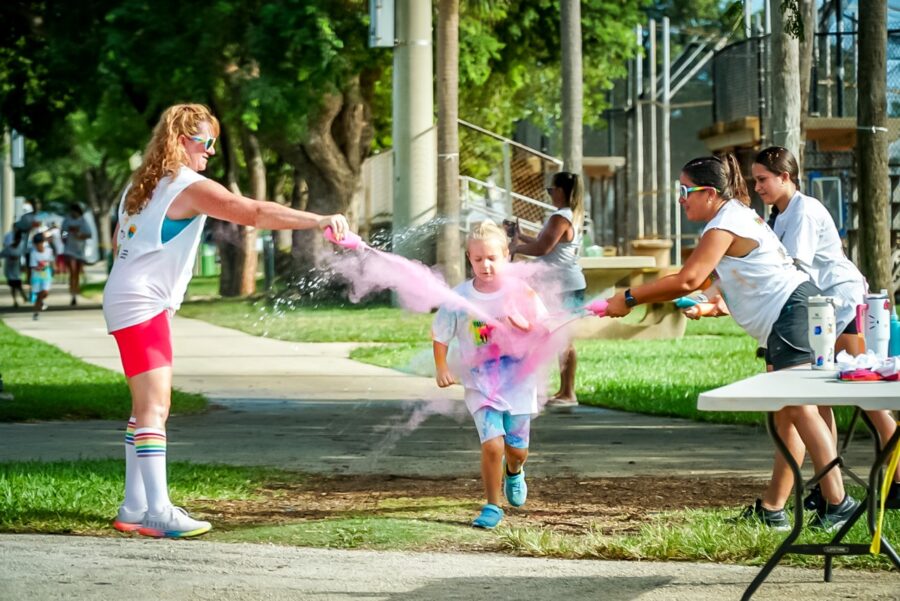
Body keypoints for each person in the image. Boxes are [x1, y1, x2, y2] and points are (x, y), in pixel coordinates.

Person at [103, 103, 350, 538]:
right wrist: (319, 220)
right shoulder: (186, 184)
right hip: (141, 304)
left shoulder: (143, 184)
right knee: (155, 408)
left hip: (130, 299)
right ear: (182, 141)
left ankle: (134, 505)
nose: (211, 152)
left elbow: (121, 242)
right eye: (206, 142)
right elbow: (252, 212)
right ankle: (158, 511)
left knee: (145, 407)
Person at [605, 153, 859, 532]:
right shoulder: (733, 217)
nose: (681, 199)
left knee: (800, 409)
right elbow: (713, 280)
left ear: (708, 192)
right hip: (791, 313)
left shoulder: (724, 223)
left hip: (790, 313)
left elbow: (688, 279)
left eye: (684, 191)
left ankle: (838, 501)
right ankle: (777, 508)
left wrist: (628, 298)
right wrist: (706, 307)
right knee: (789, 414)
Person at [752, 145, 900, 509]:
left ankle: (898, 483)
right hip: (820, 308)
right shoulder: (780, 214)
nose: (758, 187)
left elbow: (793, 270)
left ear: (785, 177)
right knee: (820, 400)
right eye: (755, 180)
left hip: (842, 302)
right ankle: (826, 486)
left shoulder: (803, 210)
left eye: (763, 179)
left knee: (870, 401)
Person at [433, 220, 548, 529]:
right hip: (480, 384)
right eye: (478, 258)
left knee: (516, 449)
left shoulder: (522, 293)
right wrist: (442, 367)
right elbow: (441, 335)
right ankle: (492, 505)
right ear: (469, 259)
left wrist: (526, 326)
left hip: (519, 383)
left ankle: (515, 470)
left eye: (492, 258)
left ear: (506, 256)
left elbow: (546, 330)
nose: (485, 265)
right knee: (493, 444)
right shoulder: (459, 298)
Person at [510, 171, 587, 410]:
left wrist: (515, 247)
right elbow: (546, 242)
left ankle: (568, 392)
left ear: (562, 191)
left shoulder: (560, 217)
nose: (550, 194)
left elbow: (542, 248)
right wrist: (520, 235)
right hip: (567, 284)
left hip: (563, 287)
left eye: (551, 190)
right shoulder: (569, 215)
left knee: (562, 339)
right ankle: (565, 391)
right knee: (560, 338)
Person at [62, 204, 92, 305]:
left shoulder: (83, 221)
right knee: (72, 271)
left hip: (80, 250)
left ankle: (75, 290)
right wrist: (65, 236)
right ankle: (72, 292)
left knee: (77, 273)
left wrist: (80, 234)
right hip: (69, 249)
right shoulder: (67, 220)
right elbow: (63, 231)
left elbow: (89, 234)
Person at [28, 232, 54, 320]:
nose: (39, 246)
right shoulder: (33, 253)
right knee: (38, 295)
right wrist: (40, 266)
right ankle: (36, 312)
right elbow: (33, 266)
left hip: (46, 275)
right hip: (36, 276)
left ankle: (40, 304)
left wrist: (52, 267)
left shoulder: (49, 251)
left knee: (44, 292)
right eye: (37, 244)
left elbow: (51, 261)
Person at [1, 229, 28, 307]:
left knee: (18, 284)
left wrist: (23, 266)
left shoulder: (20, 248)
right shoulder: (8, 248)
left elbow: (23, 257)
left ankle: (22, 296)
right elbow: (1, 255)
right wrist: (10, 257)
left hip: (17, 269)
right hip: (9, 270)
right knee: (13, 286)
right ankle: (15, 300)